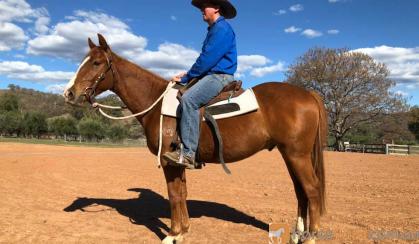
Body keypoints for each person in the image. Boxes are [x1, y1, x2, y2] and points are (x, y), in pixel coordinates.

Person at [163, 0, 238, 169]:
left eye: (205, 7)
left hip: (219, 76)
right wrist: (188, 75)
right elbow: (206, 60)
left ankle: (189, 154)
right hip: (212, 74)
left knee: (189, 99)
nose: (202, 11)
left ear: (216, 8)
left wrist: (187, 77)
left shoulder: (221, 29)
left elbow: (207, 59)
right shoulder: (215, 29)